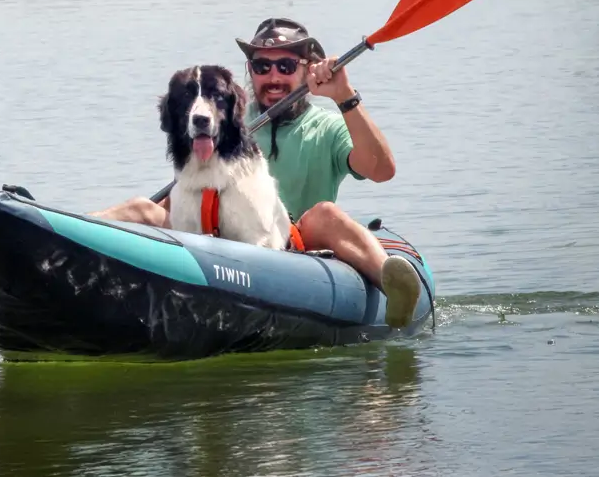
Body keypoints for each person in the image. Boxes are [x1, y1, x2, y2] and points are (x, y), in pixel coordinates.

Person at [91, 17, 422, 328]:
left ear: (306, 70)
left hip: (292, 246)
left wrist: (344, 96)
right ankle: (58, 236)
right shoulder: (223, 114)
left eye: (286, 66)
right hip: (204, 235)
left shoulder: (327, 126)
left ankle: (395, 285)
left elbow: (382, 170)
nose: (274, 77)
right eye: (263, 66)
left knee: (324, 214)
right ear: (250, 70)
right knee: (143, 209)